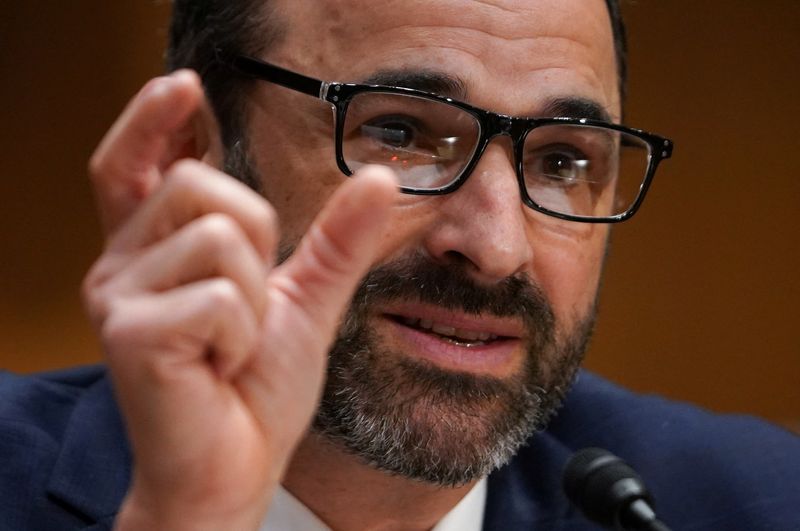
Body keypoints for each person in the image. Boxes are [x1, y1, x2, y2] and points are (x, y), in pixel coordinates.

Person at [1, 1, 798, 530]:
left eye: (560, 161)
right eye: (402, 133)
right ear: (193, 152)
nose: (495, 248)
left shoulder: (754, 501)